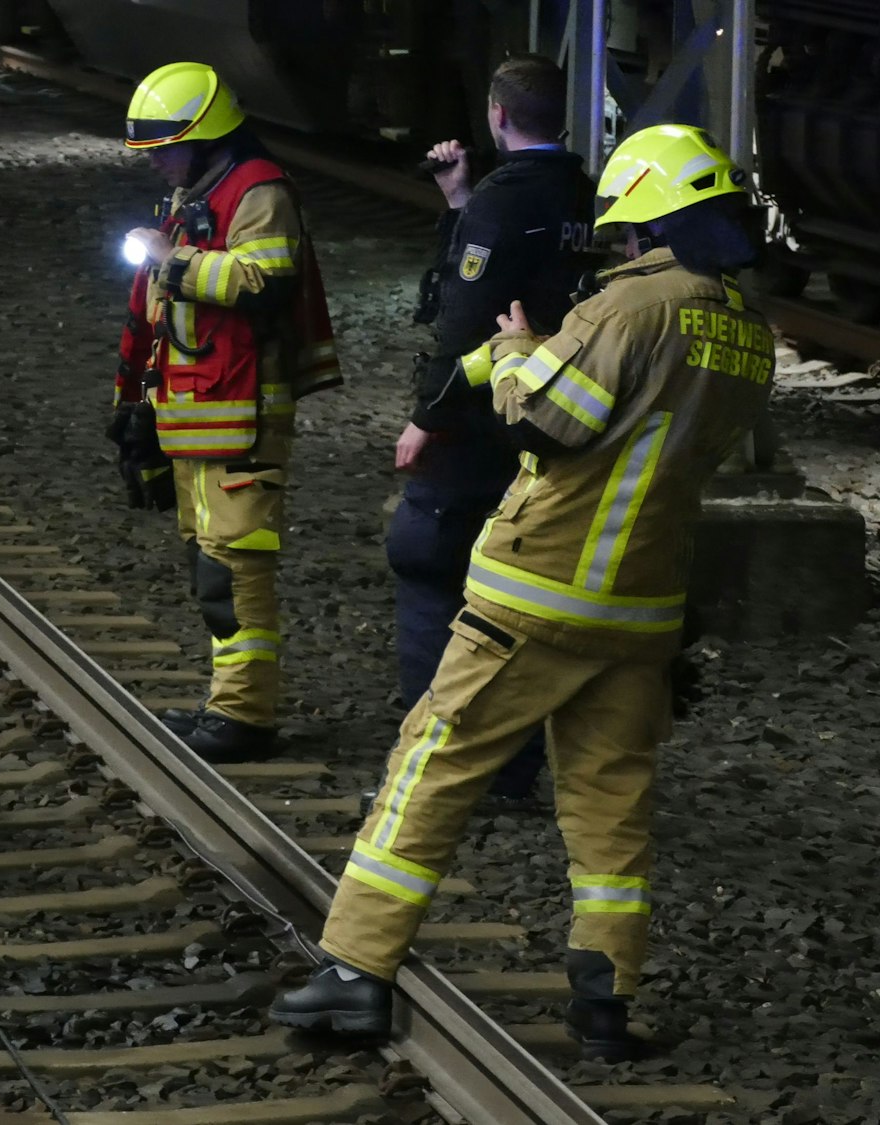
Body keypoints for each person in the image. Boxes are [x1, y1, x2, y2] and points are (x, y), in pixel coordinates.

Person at [270, 125, 773, 1062]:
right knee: (609, 801)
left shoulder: (631, 307)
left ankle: (354, 969)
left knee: (433, 762)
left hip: (540, 591)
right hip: (642, 611)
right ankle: (606, 1000)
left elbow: (553, 416)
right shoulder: (746, 332)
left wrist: (514, 350)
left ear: (642, 221)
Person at [109, 61, 342, 762]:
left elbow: (264, 281)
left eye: (164, 151)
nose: (157, 168)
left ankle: (244, 715)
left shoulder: (257, 191)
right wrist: (136, 408)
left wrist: (169, 261)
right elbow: (158, 315)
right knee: (211, 567)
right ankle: (229, 704)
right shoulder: (198, 192)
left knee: (235, 569)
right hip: (201, 416)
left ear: (202, 138)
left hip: (242, 419)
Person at [387, 55, 596, 808]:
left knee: (427, 566)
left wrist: (425, 417)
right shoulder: (584, 193)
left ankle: (446, 769)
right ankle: (510, 770)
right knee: (517, 602)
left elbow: (467, 316)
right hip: (551, 426)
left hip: (479, 428)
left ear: (497, 115)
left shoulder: (506, 201)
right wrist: (457, 200)